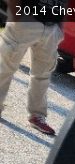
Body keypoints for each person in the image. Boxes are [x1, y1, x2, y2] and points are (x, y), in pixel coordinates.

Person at [0, 0, 65, 136]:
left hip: (51, 28)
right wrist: (17, 16)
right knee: (5, 68)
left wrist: (60, 28)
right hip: (26, 20)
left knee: (43, 75)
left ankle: (37, 115)